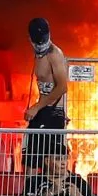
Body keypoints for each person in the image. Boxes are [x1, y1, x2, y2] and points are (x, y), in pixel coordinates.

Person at [23, 17, 68, 174]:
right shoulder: (38, 55)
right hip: (42, 111)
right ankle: (30, 195)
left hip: (53, 112)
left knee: (50, 163)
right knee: (30, 160)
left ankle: (49, 195)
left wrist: (36, 107)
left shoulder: (55, 55)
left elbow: (62, 87)